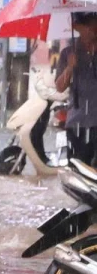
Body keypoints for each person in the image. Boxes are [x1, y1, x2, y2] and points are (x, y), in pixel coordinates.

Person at [57, 13, 97, 165]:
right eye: (87, 26)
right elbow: (60, 87)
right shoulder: (68, 53)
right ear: (77, 28)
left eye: (94, 26)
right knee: (77, 170)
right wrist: (69, 67)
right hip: (77, 123)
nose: (92, 30)